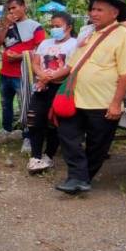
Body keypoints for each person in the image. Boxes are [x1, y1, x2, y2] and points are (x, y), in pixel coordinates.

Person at [55, 0, 126, 194]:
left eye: (99, 9)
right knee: (67, 135)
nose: (93, 13)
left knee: (98, 145)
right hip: (76, 98)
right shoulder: (89, 34)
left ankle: (81, 179)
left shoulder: (124, 36)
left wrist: (115, 103)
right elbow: (72, 66)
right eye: (92, 9)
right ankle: (78, 177)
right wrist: (49, 78)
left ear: (114, 13)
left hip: (102, 102)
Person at [26, 12, 78, 174]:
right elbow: (35, 62)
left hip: (60, 88)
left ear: (68, 27)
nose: (54, 29)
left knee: (55, 123)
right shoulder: (45, 43)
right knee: (35, 120)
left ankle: (49, 155)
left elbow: (69, 68)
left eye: (58, 26)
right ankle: (35, 156)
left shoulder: (75, 45)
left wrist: (47, 78)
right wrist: (41, 76)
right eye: (52, 26)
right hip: (42, 87)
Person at [0, 0, 45, 152]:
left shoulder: (35, 27)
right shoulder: (6, 26)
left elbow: (40, 50)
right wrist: (5, 25)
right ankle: (6, 129)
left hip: (24, 73)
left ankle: (28, 137)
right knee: (5, 103)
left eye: (14, 7)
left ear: (23, 7)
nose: (12, 11)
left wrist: (20, 56)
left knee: (26, 105)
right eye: (9, 9)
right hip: (5, 73)